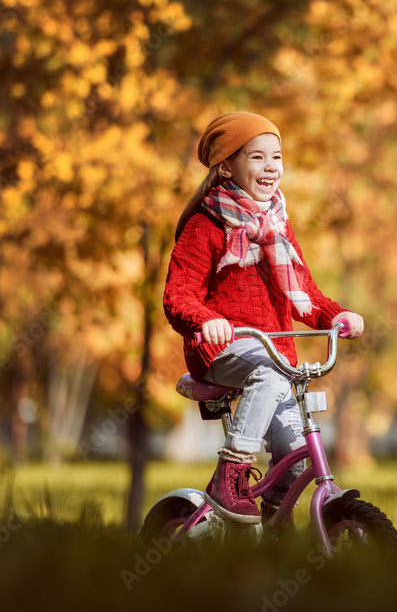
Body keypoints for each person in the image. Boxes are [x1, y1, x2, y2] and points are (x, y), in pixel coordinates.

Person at [163, 111, 363, 526]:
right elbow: (177, 296)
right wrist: (204, 320)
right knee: (271, 376)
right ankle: (229, 478)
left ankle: (273, 527)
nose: (271, 167)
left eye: (277, 157)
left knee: (294, 455)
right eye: (257, 157)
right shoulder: (206, 225)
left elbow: (304, 293)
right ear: (226, 166)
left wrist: (337, 314)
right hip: (222, 348)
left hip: (275, 354)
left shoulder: (278, 226)